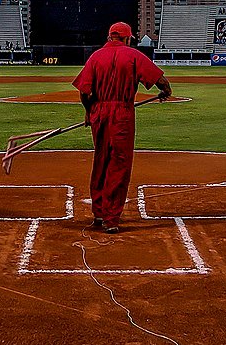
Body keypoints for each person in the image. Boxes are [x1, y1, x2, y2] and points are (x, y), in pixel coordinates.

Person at [71, 21, 171, 234]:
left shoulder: (95, 57)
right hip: (122, 113)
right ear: (126, 38)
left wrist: (89, 112)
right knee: (119, 163)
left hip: (99, 111)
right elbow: (161, 80)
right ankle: (111, 217)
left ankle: (98, 212)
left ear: (110, 37)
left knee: (101, 160)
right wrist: (165, 91)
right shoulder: (133, 56)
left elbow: (83, 91)